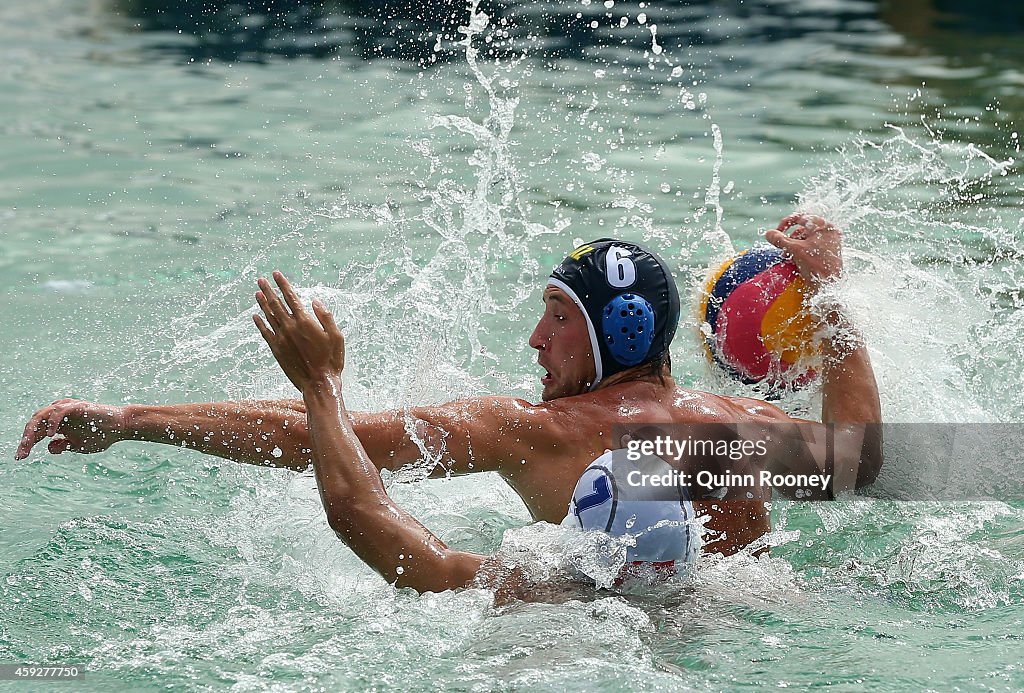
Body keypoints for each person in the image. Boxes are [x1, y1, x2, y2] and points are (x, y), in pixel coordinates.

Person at [15, 214, 882, 595]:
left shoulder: (534, 433)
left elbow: (340, 460)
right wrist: (830, 301)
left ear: (614, 330)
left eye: (555, 320)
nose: (535, 344)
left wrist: (134, 421)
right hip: (751, 616)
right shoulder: (737, 430)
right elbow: (865, 459)